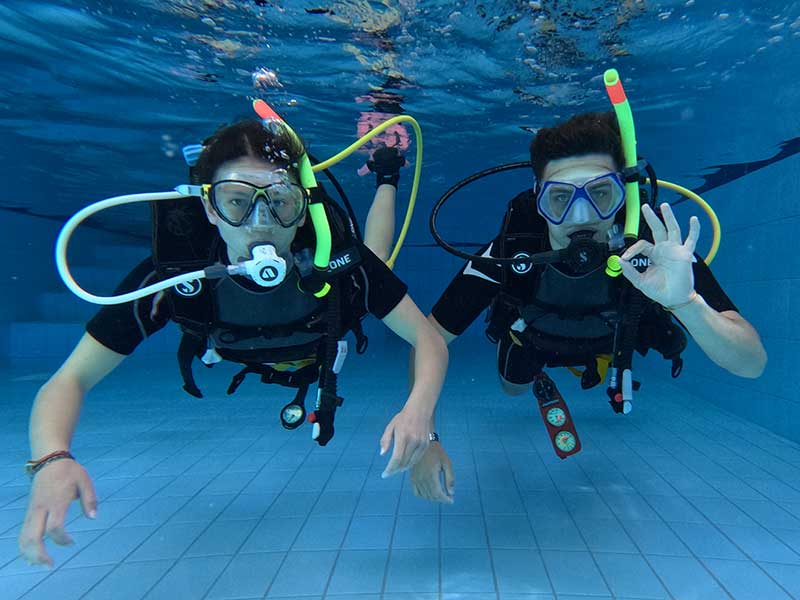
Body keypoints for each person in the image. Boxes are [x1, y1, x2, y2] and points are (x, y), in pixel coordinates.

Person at [19, 114, 448, 566]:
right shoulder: (171, 278)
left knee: (374, 260)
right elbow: (69, 379)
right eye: (237, 201)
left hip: (326, 323)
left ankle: (386, 174)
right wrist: (50, 459)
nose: (260, 224)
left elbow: (428, 339)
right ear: (208, 206)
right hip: (276, 341)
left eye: (280, 202)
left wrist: (421, 417)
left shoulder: (340, 264)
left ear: (302, 206)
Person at [410, 111, 766, 501]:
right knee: (513, 388)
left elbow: (751, 364)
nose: (580, 218)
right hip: (534, 337)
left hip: (614, 336)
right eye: (560, 198)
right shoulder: (512, 250)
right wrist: (425, 437)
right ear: (538, 199)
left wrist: (687, 302)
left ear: (623, 195)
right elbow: (428, 338)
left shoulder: (655, 250)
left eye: (599, 194)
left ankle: (598, 362)